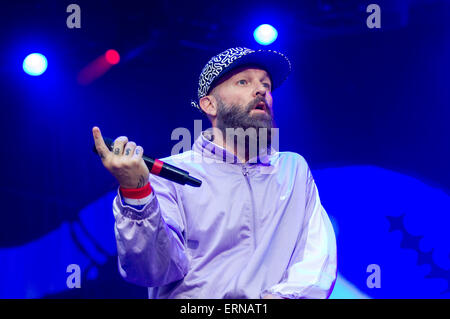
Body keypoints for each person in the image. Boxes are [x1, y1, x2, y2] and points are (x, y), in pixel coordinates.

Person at [92, 47, 337, 299]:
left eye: (266, 84)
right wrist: (137, 192)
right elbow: (150, 271)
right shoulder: (172, 174)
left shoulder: (292, 169)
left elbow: (316, 256)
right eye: (243, 82)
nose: (262, 90)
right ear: (209, 104)